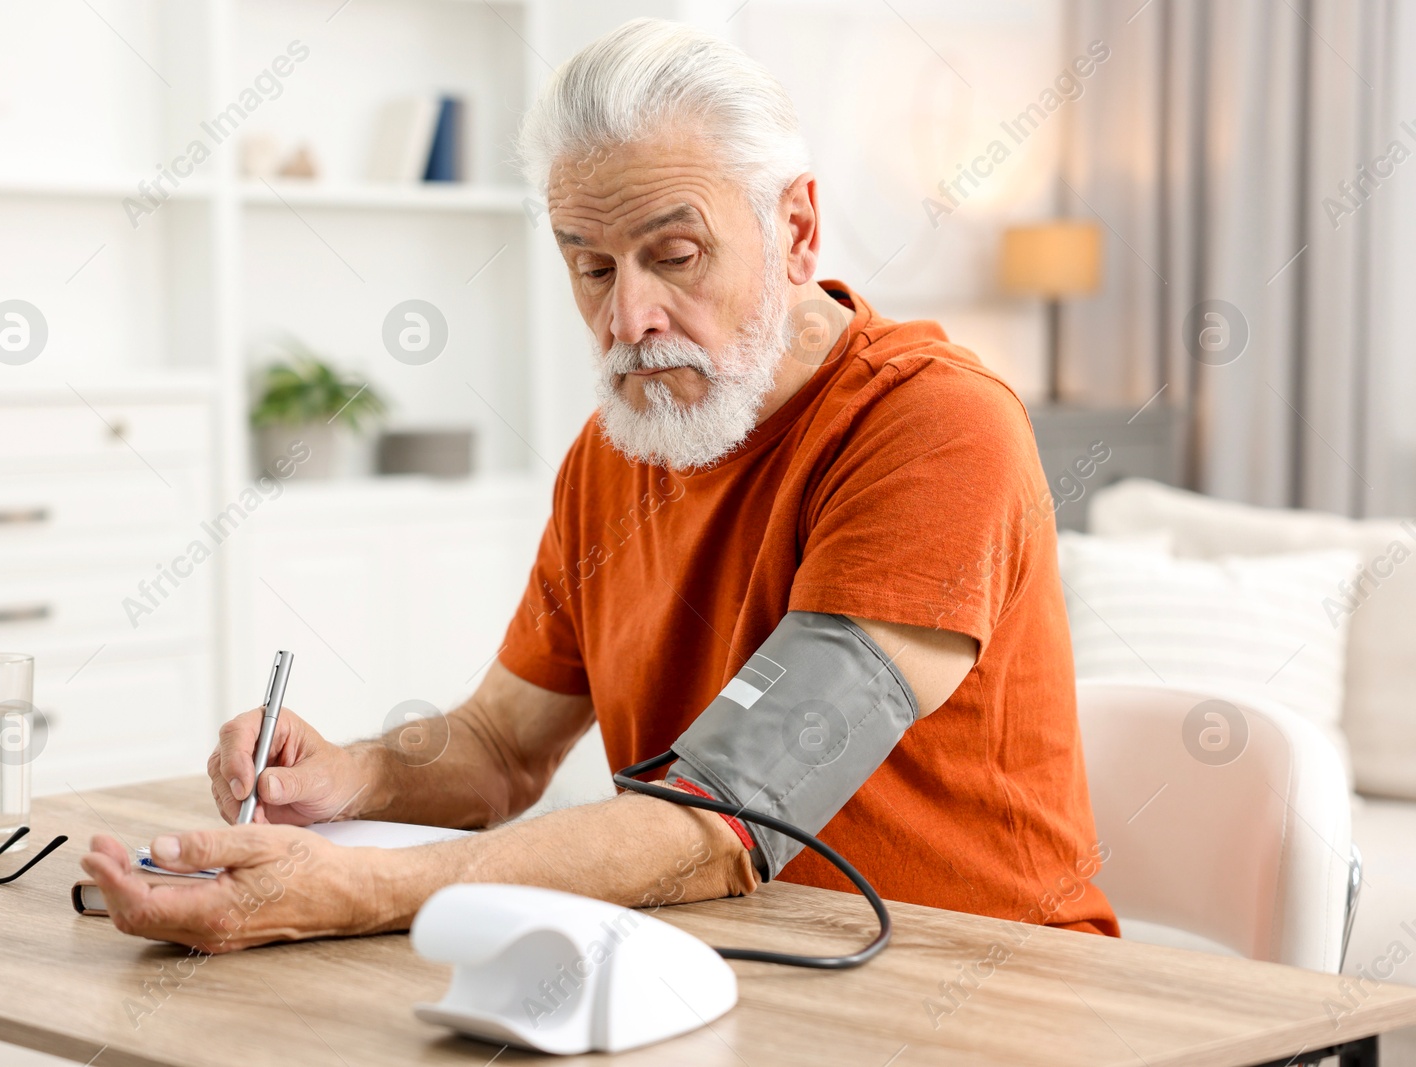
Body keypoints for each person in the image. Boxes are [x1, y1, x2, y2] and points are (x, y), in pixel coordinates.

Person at [81, 18, 1117, 953]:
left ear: (797, 231)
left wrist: (360, 885)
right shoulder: (619, 447)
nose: (629, 320)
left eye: (674, 255)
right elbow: (497, 745)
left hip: (990, 993)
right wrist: (352, 774)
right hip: (732, 974)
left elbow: (739, 809)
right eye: (590, 267)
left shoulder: (934, 427)